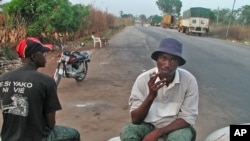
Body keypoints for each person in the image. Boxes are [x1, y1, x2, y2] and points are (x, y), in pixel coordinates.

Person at [0, 37, 80, 141]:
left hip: (7, 137)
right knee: (74, 134)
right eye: (43, 53)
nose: (45, 57)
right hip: (38, 137)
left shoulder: (3, 79)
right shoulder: (46, 81)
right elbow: (51, 123)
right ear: (33, 57)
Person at [120, 38, 199, 141]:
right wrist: (151, 96)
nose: (167, 65)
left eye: (173, 60)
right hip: (148, 125)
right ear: (157, 60)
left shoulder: (189, 81)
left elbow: (188, 117)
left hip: (175, 127)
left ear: (179, 63)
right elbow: (135, 119)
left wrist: (158, 132)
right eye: (163, 58)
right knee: (127, 132)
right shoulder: (143, 80)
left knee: (179, 138)